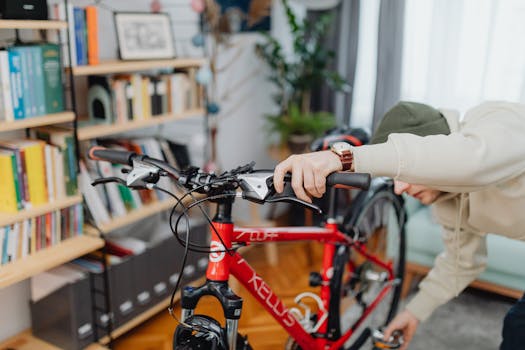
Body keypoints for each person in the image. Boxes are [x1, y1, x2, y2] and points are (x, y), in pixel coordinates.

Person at [273, 101, 525, 350]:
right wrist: (413, 313)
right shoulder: (448, 202)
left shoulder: (498, 120)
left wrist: (346, 159)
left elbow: (471, 163)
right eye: (394, 179)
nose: (399, 188)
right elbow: (462, 262)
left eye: (407, 176)